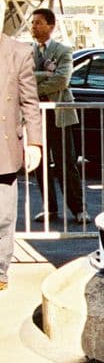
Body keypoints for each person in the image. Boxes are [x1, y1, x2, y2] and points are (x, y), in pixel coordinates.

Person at [31, 8, 89, 224]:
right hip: (36, 116)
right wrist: (45, 74)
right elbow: (24, 77)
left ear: (50, 26)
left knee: (67, 163)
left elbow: (62, 80)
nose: (34, 27)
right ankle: (50, 208)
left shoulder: (63, 50)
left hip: (59, 115)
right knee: (40, 165)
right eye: (33, 22)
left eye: (38, 23)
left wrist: (35, 85)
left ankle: (78, 209)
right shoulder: (29, 52)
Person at [0, 32, 42, 290]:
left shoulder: (19, 52)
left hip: (3, 147)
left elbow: (30, 102)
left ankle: (0, 272)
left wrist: (35, 142)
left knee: (3, 216)